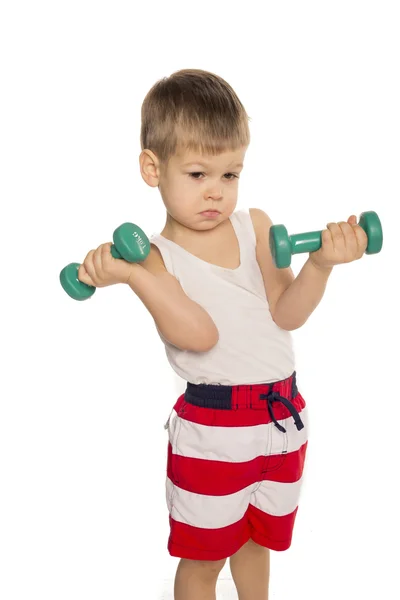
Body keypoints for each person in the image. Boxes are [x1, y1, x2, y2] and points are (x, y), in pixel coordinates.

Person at [77, 69, 368, 600]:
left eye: (230, 175)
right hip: (215, 430)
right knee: (204, 560)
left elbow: (286, 313)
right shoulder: (155, 257)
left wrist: (322, 264)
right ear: (152, 168)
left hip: (284, 418)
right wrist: (136, 275)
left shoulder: (254, 225)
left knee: (257, 546)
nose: (216, 191)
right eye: (197, 174)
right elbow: (198, 333)